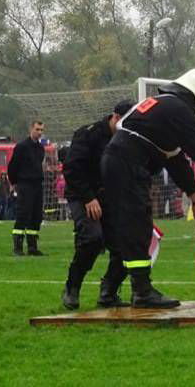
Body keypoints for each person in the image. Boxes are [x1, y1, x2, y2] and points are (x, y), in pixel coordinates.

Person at [101, 68, 195, 308]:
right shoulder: (178, 109)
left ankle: (110, 290)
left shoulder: (162, 107)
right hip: (127, 165)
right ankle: (142, 292)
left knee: (130, 228)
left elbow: (176, 160)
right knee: (137, 228)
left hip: (118, 162)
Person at [61, 100, 136, 310]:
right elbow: (72, 169)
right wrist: (88, 197)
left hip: (110, 197)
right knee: (92, 239)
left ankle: (109, 291)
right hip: (82, 194)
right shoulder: (88, 134)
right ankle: (72, 287)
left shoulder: (128, 141)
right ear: (115, 117)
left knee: (127, 244)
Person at [7, 121, 46, 256]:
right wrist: (14, 183)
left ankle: (32, 247)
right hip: (25, 185)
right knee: (23, 214)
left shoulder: (41, 148)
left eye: (41, 130)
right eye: (37, 129)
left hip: (37, 185)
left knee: (36, 216)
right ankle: (17, 248)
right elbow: (12, 167)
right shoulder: (22, 147)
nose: (40, 132)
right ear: (31, 129)